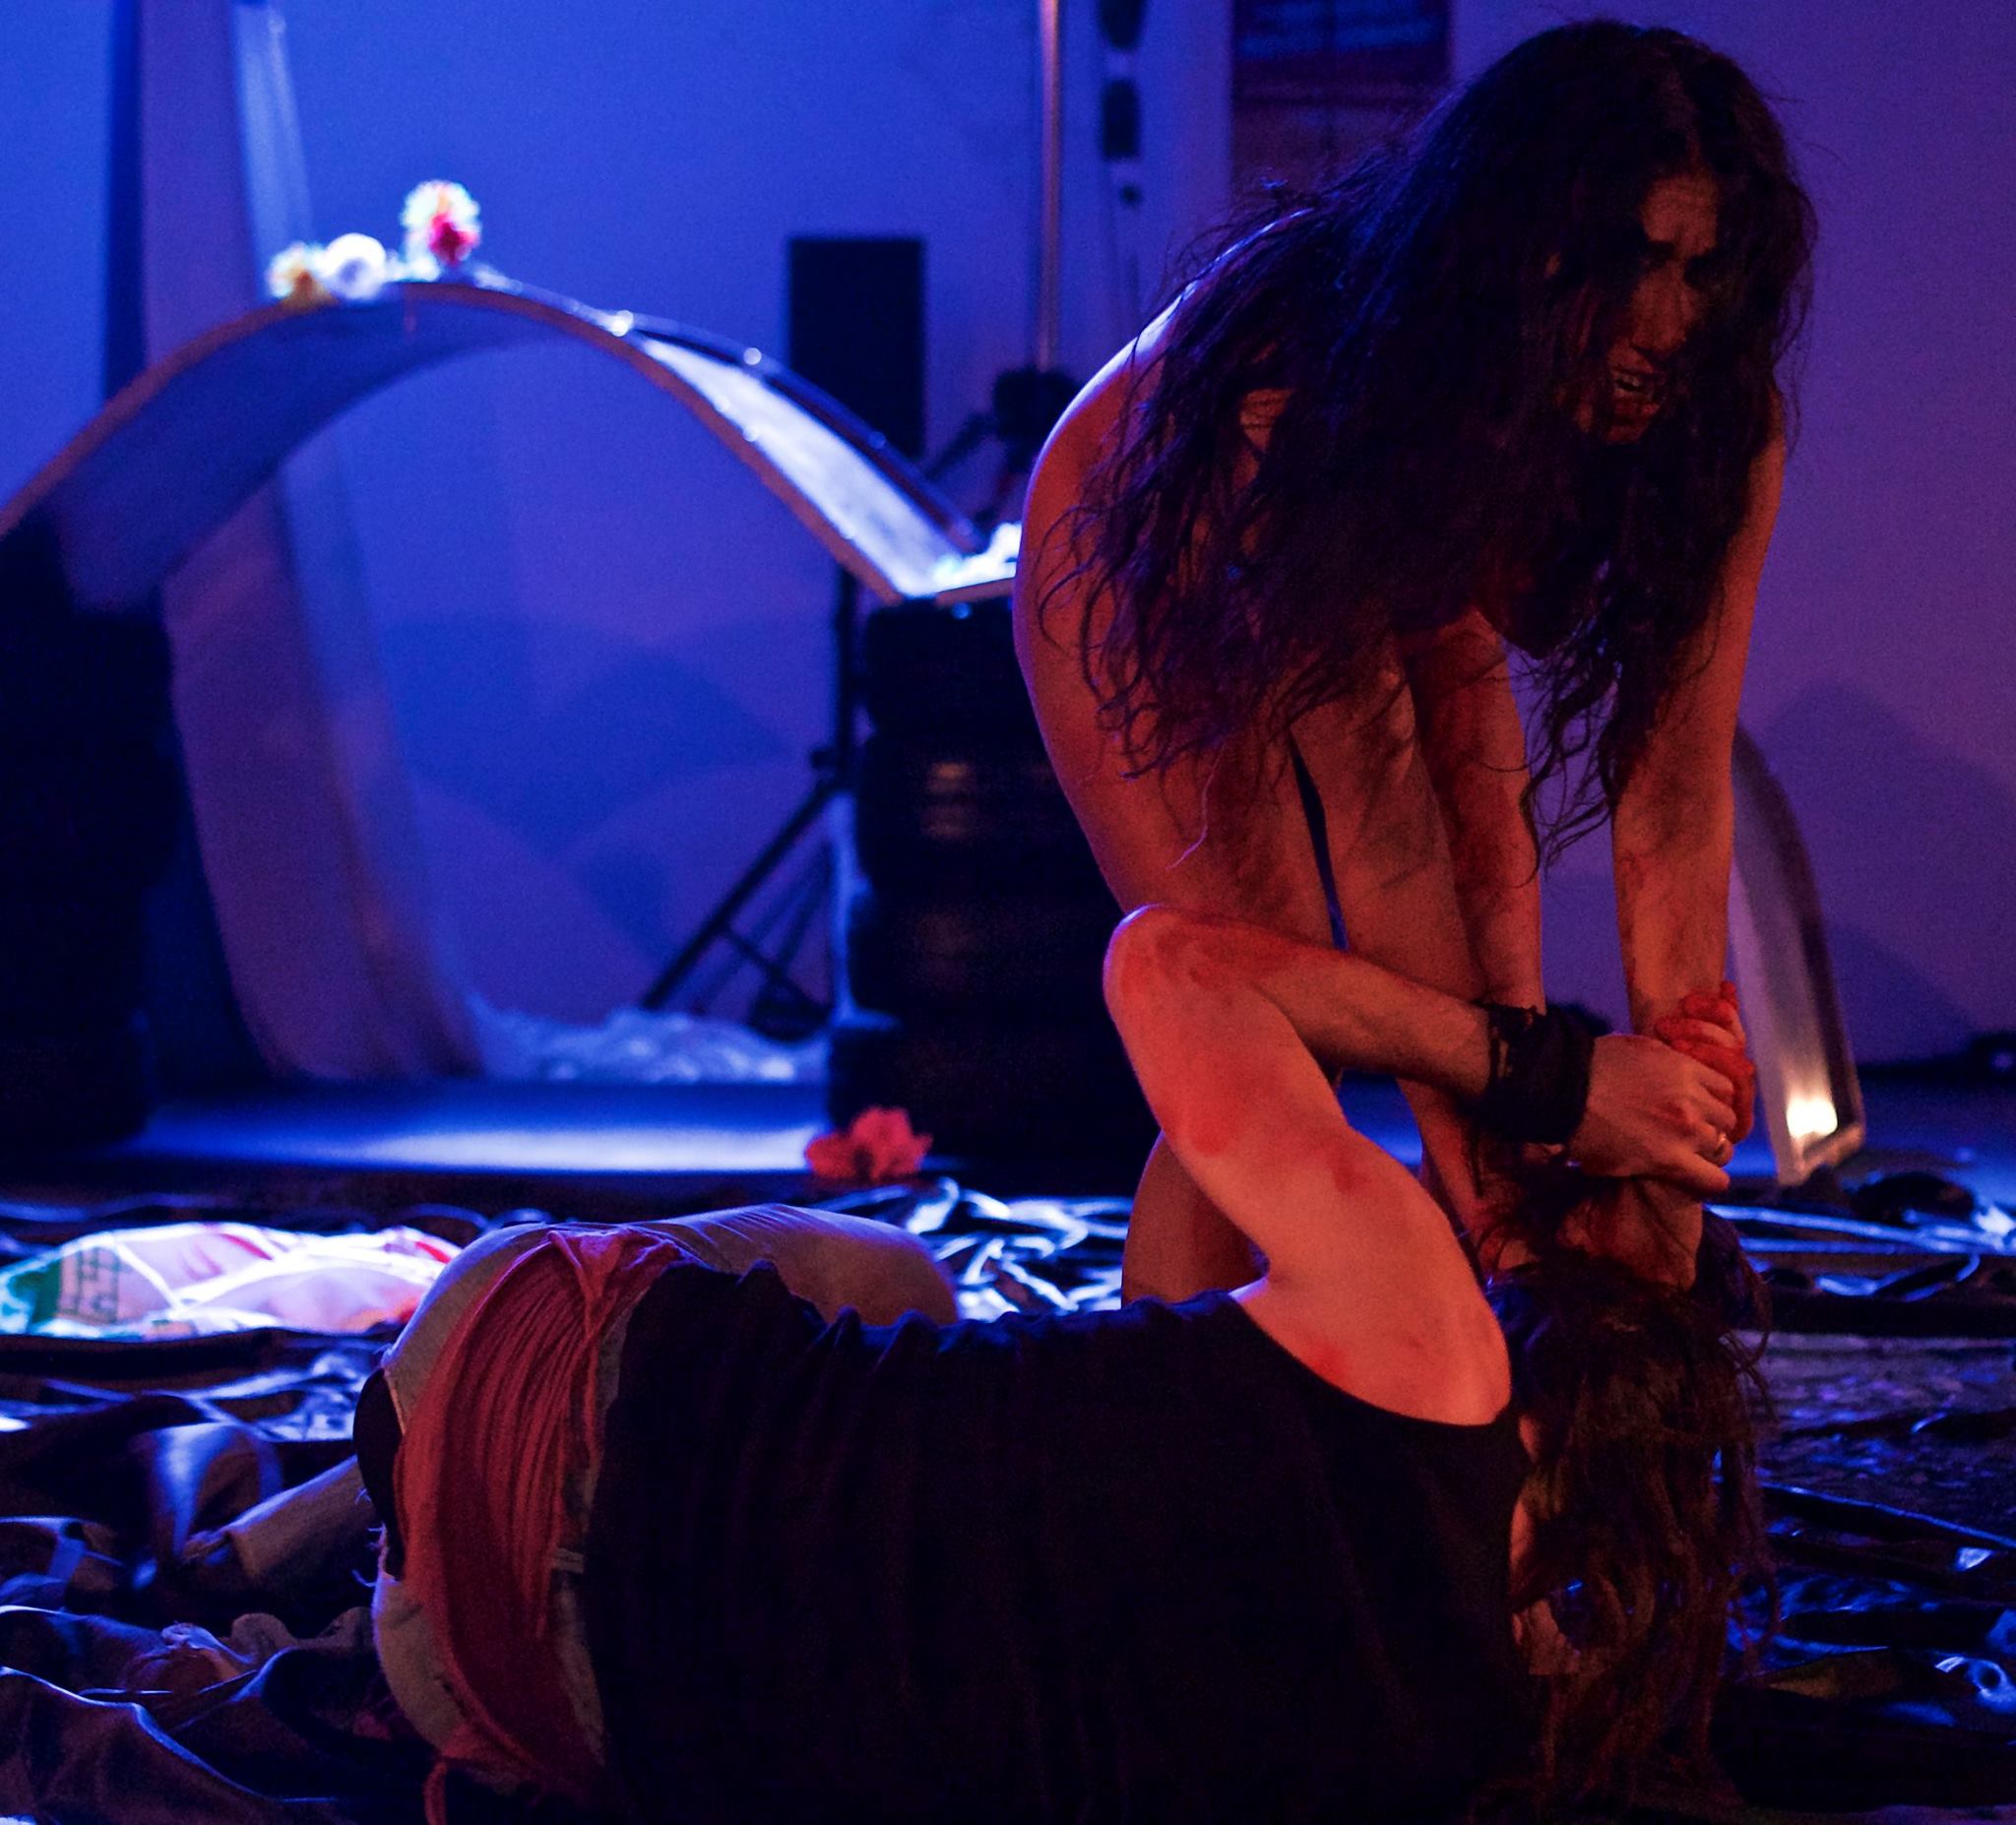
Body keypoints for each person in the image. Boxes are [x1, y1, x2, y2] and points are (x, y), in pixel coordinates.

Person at [361, 907, 1764, 1822]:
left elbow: (1167, 965)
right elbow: (1180, 1258)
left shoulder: (1429, 1342)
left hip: (508, 1395)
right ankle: (363, 1526)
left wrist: (1546, 1081)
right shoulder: (1450, 1745)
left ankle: (348, 1495)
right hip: (524, 1696)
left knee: (905, 1283)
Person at [1013, 20, 1812, 1300]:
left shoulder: (1722, 426)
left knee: (1495, 964)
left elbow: (1674, 793)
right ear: (1528, 250)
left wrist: (1679, 1109)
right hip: (1139, 549)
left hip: (1396, 574)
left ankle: (1501, 1293)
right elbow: (1382, 832)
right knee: (1270, 1027)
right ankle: (1165, 1388)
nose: (1669, 323)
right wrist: (1527, 1168)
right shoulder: (1315, 388)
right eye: (1633, 263)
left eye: (1701, 271)